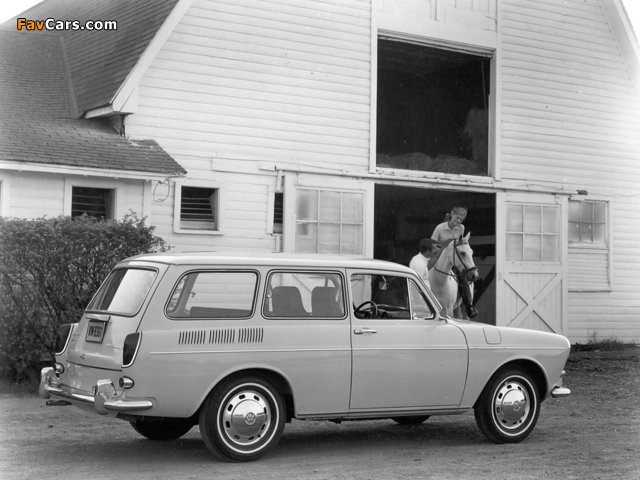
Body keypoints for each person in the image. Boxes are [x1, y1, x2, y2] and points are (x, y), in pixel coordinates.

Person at [431, 207, 478, 318]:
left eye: (461, 219)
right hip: (439, 255)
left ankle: (469, 306)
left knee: (462, 277)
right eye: (457, 218)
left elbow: (459, 243)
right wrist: (444, 246)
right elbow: (432, 243)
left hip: (453, 256)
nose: (459, 221)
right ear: (452, 214)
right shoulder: (440, 228)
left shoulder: (461, 228)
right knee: (423, 269)